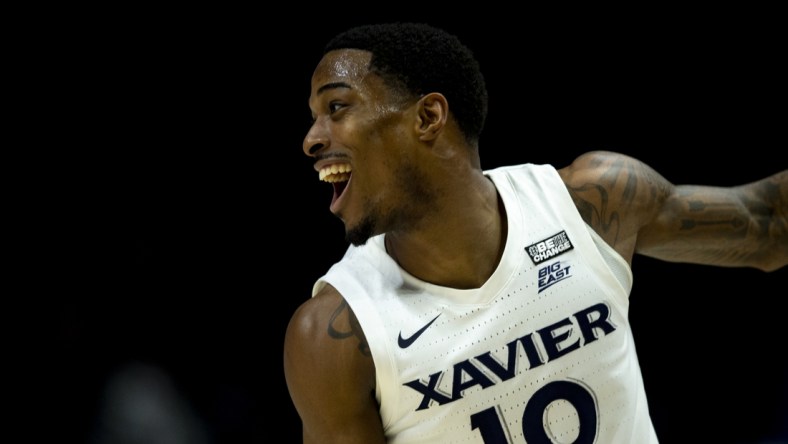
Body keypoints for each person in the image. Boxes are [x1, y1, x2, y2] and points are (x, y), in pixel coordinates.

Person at [283, 22, 787, 443]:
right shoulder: (335, 338)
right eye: (313, 118)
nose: (311, 139)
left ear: (429, 117)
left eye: (336, 108)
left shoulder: (588, 204)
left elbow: (768, 225)